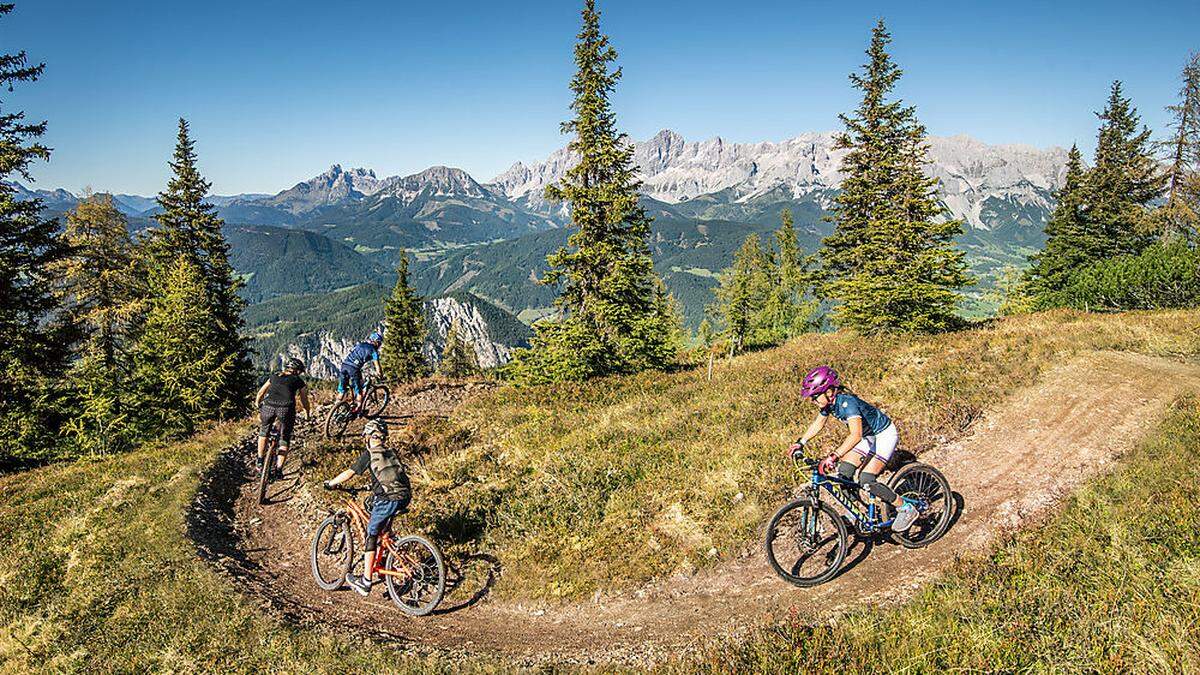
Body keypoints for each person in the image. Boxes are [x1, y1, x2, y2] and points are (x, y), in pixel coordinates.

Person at [788, 365, 919, 532]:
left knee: (866, 479)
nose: (813, 401)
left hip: (883, 435)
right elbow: (818, 423)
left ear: (829, 391)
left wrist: (834, 456)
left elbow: (855, 435)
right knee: (845, 471)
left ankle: (906, 508)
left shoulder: (847, 403)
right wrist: (801, 442)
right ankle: (855, 511)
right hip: (869, 437)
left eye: (815, 396)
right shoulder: (829, 404)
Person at [323, 419, 412, 596]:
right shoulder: (390, 452)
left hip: (388, 499)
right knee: (379, 524)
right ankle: (386, 555)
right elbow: (389, 476)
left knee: (371, 534)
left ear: (368, 436)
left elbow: (350, 473)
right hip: (405, 497)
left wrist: (332, 483)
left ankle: (365, 581)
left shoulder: (370, 454)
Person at [252, 357, 313, 478]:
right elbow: (304, 399)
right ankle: (279, 470)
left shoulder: (274, 376)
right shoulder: (298, 381)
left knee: (263, 432)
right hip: (285, 409)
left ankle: (259, 461)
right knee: (284, 438)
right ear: (297, 371)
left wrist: (257, 404)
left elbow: (260, 393)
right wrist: (307, 412)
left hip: (268, 407)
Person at [338, 331, 383, 412]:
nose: (379, 345)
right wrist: (380, 375)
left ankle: (335, 409)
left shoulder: (361, 344)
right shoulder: (374, 351)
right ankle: (358, 409)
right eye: (379, 343)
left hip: (344, 365)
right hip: (354, 369)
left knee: (342, 390)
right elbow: (377, 366)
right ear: (376, 342)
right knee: (359, 391)